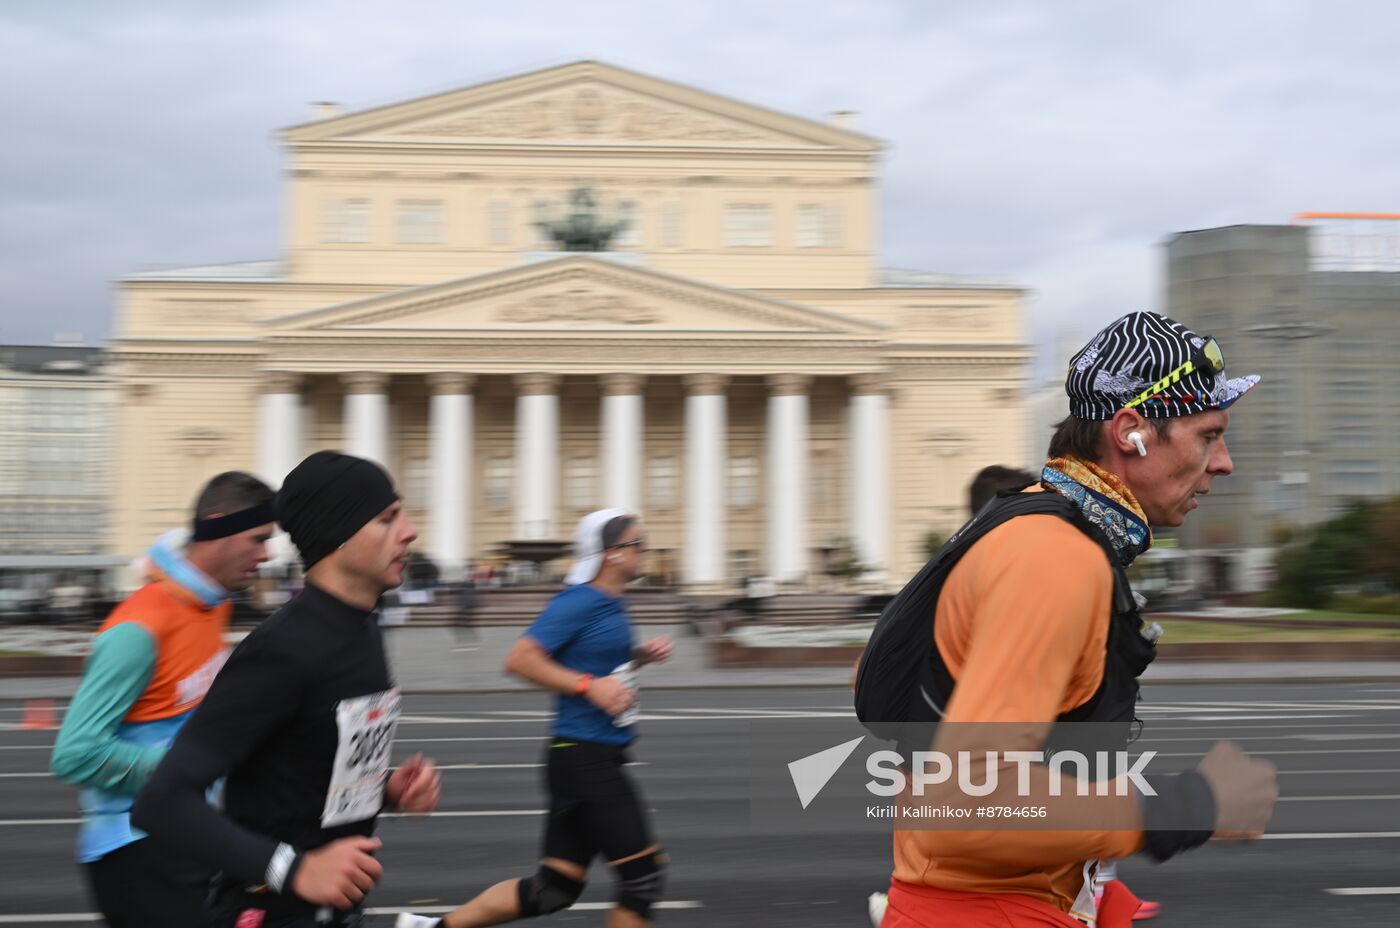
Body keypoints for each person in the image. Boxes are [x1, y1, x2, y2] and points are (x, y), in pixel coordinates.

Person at [864, 312, 1278, 928]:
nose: (1224, 463)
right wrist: (1189, 804)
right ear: (1132, 431)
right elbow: (965, 807)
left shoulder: (1025, 518)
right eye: (1209, 434)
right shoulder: (1055, 557)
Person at [132, 451, 442, 927]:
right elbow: (162, 801)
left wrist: (381, 789)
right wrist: (293, 868)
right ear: (339, 535)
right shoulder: (282, 650)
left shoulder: (362, 626)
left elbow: (303, 769)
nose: (410, 531)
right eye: (387, 518)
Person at [397, 508, 673, 928]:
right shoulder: (580, 601)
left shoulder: (611, 603)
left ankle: (433, 927)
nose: (646, 552)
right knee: (642, 880)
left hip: (583, 756)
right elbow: (520, 659)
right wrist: (589, 687)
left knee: (554, 889)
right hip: (585, 759)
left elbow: (600, 668)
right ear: (613, 554)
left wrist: (638, 658)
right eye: (640, 544)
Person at [50, 471, 276, 927]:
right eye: (257, 539)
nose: (267, 555)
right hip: (135, 847)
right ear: (218, 529)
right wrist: (186, 770)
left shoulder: (212, 604)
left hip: (187, 831)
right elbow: (74, 754)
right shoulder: (138, 630)